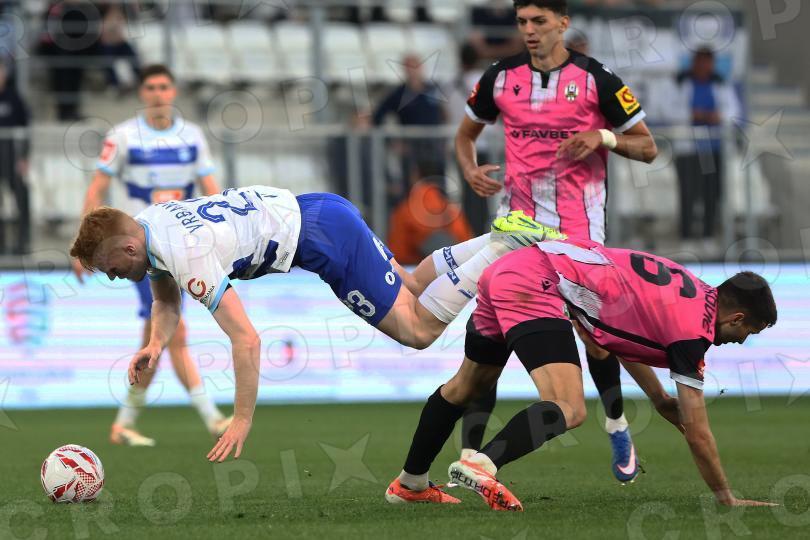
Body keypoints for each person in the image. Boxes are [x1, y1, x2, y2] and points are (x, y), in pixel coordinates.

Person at [68, 187, 565, 461]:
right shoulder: (150, 221)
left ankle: (501, 249)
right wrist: (156, 344)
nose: (113, 277)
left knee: (417, 331)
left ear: (128, 247)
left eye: (110, 269)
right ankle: (497, 237)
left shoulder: (187, 255)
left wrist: (241, 418)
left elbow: (246, 339)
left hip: (322, 239)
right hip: (321, 208)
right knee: (412, 286)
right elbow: (164, 293)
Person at [386, 238, 778, 510]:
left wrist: (659, 398)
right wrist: (725, 497)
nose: (742, 341)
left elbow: (621, 339)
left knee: (467, 386)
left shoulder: (690, 288)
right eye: (749, 332)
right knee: (569, 407)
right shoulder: (693, 335)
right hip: (536, 284)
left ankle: (410, 483)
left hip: (508, 269)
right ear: (737, 317)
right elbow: (698, 432)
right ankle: (481, 465)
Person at [455, 0, 658, 483]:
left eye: (539, 21)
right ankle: (469, 458)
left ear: (563, 23)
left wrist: (603, 138)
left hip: (578, 234)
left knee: (596, 338)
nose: (529, 30)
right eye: (522, 21)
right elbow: (465, 135)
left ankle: (616, 425)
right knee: (486, 343)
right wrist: (469, 170)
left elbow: (648, 147)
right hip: (517, 230)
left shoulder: (597, 79)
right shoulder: (500, 77)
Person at [71, 64, 230, 447]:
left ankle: (124, 423)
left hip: (180, 246)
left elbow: (211, 189)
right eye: (151, 87)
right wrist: (83, 245)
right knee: (174, 332)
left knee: (155, 337)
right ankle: (212, 419)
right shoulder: (123, 136)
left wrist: (223, 234)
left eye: (163, 87)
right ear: (142, 93)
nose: (158, 93)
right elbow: (97, 188)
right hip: (139, 252)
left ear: (173, 92)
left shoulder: (192, 136)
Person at [668, 47, 741, 247]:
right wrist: (693, 115)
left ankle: (708, 235)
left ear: (712, 64)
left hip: (712, 150)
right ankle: (686, 237)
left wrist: (718, 116)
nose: (702, 66)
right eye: (699, 62)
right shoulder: (680, 82)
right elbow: (668, 110)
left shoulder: (720, 83)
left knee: (712, 192)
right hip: (688, 150)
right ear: (693, 63)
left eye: (706, 62)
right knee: (688, 192)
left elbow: (734, 111)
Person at [0, 61, 31, 255]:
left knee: (21, 196)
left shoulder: (14, 98)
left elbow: (26, 129)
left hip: (11, 157)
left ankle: (22, 242)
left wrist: (24, 157)